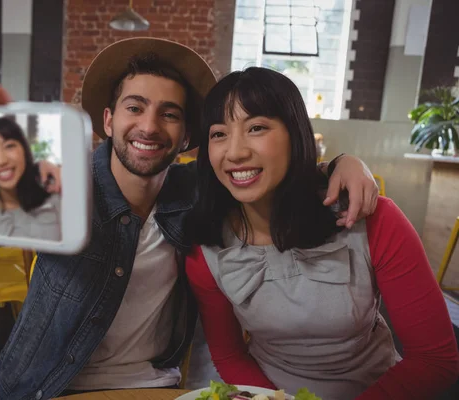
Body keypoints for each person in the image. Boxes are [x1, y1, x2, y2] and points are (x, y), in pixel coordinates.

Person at [0, 38, 379, 400]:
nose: (149, 126)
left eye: (169, 114)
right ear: (109, 121)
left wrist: (341, 165)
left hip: (155, 386)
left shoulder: (199, 193)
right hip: (47, 386)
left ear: (187, 137)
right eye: (134, 107)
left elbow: (267, 171)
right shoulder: (61, 188)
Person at [185, 67, 459, 400]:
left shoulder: (373, 220)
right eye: (219, 134)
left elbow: (435, 359)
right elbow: (229, 355)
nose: (235, 152)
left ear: (295, 133)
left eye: (256, 127)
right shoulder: (207, 245)